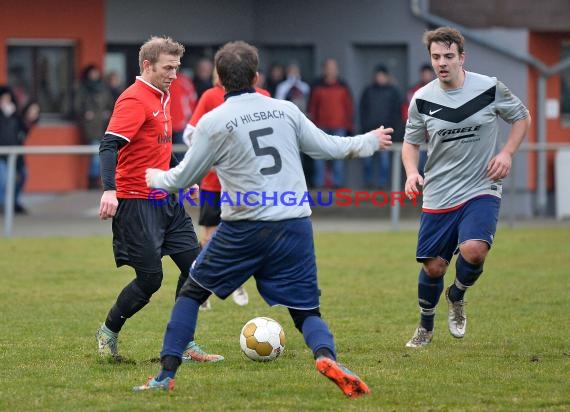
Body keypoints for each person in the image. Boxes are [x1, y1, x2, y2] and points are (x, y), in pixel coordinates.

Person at [134, 40, 393, 397]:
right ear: (257, 76)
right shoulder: (285, 109)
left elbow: (183, 178)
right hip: (294, 223)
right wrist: (369, 140)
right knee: (306, 310)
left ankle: (165, 375)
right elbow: (327, 147)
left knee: (192, 292)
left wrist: (153, 178)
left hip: (244, 226)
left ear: (219, 80)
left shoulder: (214, 120)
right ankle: (327, 356)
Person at [96, 36, 223, 364]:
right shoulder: (134, 100)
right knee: (150, 279)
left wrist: (180, 181)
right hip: (137, 202)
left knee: (196, 269)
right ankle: (108, 331)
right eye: (168, 68)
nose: (174, 74)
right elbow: (109, 146)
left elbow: (155, 153)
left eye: (177, 68)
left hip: (165, 199)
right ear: (146, 66)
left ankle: (184, 342)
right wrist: (110, 190)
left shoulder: (162, 96)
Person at [402, 27, 531, 348]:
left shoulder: (488, 88)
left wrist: (506, 153)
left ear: (462, 57)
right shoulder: (422, 99)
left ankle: (457, 295)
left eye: (448, 56)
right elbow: (410, 143)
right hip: (439, 192)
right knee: (434, 267)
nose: (442, 62)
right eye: (436, 57)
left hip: (481, 186)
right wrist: (409, 173)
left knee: (475, 250)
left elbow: (522, 117)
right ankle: (425, 326)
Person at [183, 67, 270, 310]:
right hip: (214, 182)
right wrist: (212, 151)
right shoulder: (211, 96)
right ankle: (204, 288)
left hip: (247, 182)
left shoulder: (263, 96)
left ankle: (236, 280)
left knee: (246, 233)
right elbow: (190, 133)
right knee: (211, 236)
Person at [307, 58, 354, 188]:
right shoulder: (317, 85)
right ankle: (319, 183)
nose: (332, 70)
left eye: (334, 67)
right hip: (320, 126)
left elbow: (348, 107)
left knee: (338, 156)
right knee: (319, 156)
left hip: (339, 126)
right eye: (329, 67)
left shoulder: (343, 86)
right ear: (324, 69)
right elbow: (312, 108)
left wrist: (349, 125)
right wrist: (312, 125)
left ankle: (338, 184)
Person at [359, 64, 403, 189]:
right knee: (367, 159)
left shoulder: (393, 92)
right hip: (369, 131)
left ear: (386, 76)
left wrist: (393, 130)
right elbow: (362, 110)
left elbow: (397, 112)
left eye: (382, 76)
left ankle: (382, 184)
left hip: (385, 132)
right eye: (377, 76)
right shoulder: (368, 91)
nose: (380, 78)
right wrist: (364, 127)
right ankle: (368, 183)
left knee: (384, 161)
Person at [74, 64, 115, 189]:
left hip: (104, 126)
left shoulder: (103, 88)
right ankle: (93, 181)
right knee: (96, 155)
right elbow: (77, 106)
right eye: (92, 73)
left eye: (96, 73)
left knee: (104, 154)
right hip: (91, 127)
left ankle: (98, 180)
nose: (94, 75)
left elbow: (110, 104)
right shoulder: (83, 89)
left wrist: (107, 112)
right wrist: (85, 113)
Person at [402, 63, 435, 175]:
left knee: (434, 164)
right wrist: (414, 126)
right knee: (419, 164)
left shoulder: (439, 89)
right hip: (418, 133)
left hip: (434, 133)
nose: (426, 76)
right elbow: (407, 111)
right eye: (424, 74)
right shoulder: (414, 91)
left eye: (428, 73)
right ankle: (420, 187)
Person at [0, 86, 21, 213]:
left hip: (12, 154)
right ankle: (3, 205)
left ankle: (12, 204)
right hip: (1, 154)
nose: (5, 102)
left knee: (16, 178)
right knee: (3, 179)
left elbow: (21, 132)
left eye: (8, 99)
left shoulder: (14, 117)